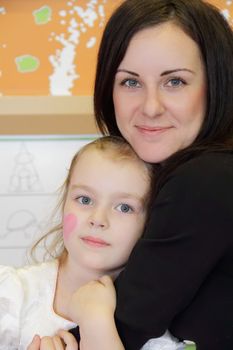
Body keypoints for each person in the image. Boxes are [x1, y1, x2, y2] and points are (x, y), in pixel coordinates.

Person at [29, 0, 233, 349]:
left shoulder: (209, 178)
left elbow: (127, 323)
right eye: (130, 82)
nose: (151, 107)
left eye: (175, 81)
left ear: (216, 84)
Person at [0, 135, 158, 350]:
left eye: (124, 207)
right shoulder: (11, 295)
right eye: (85, 200)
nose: (98, 219)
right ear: (65, 202)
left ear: (151, 221)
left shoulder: (155, 325)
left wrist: (98, 325)